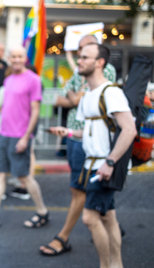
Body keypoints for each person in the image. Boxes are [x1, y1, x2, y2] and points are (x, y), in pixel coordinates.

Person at [49, 43, 136, 268]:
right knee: (108, 216)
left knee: (90, 217)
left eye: (85, 57)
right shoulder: (88, 96)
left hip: (104, 166)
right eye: (79, 57)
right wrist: (68, 132)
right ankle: (116, 264)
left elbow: (129, 129)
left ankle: (106, 266)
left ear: (100, 63)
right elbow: (89, 130)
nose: (79, 61)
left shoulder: (111, 92)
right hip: (91, 164)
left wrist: (110, 162)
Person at [40, 35, 116, 256]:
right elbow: (63, 100)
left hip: (92, 142)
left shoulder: (107, 74)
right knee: (87, 194)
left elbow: (77, 99)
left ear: (98, 57)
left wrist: (75, 98)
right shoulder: (79, 72)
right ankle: (110, 238)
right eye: (80, 51)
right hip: (74, 136)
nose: (80, 57)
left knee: (80, 192)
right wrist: (75, 98)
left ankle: (62, 237)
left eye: (86, 52)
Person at [0, 45, 49, 228]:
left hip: (20, 136)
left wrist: (26, 137)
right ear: (9, 58)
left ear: (25, 58)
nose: (16, 59)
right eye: (13, 56)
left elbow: (35, 111)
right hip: (3, 134)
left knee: (24, 177)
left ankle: (42, 212)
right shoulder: (8, 80)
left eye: (20, 56)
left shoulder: (33, 80)